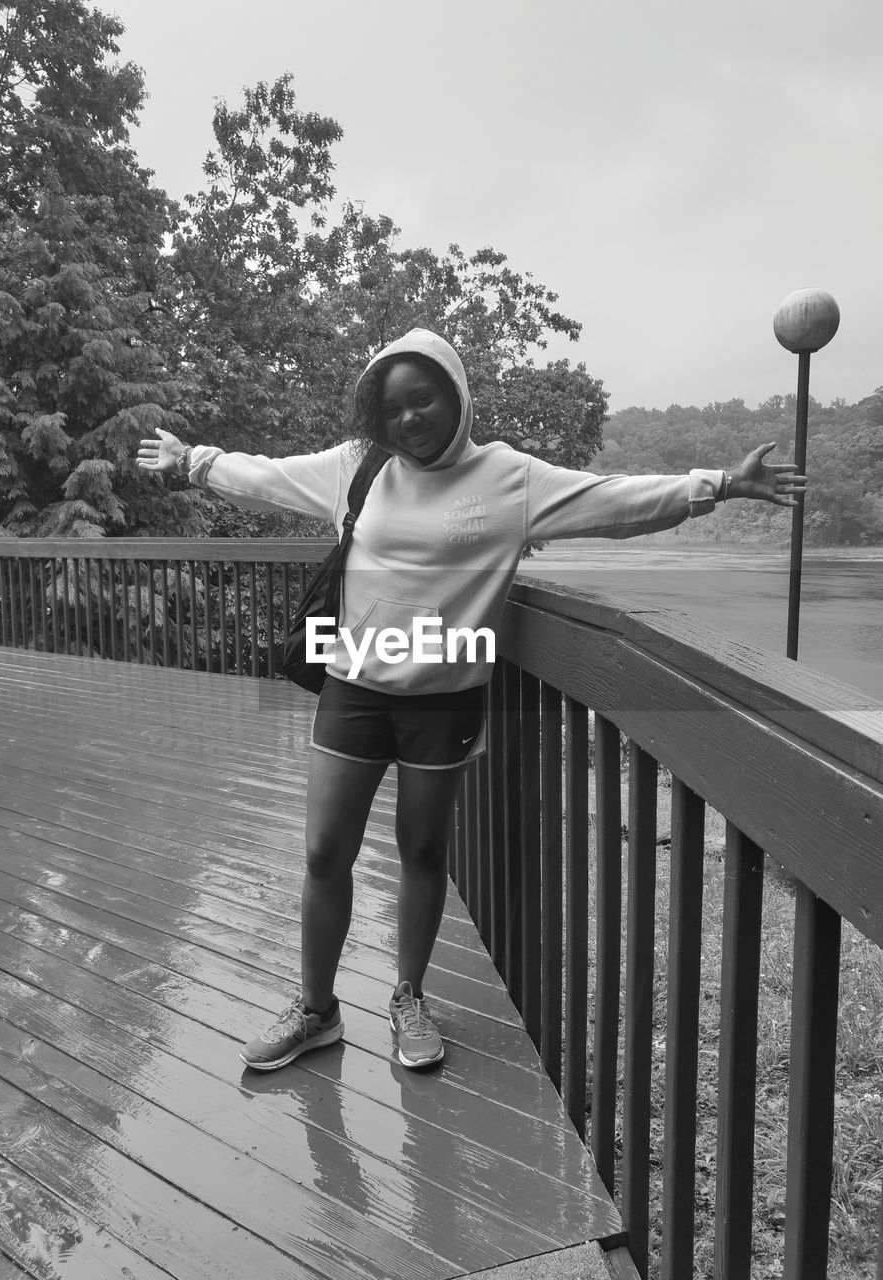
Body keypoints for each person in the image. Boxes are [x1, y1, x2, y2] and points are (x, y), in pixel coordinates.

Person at [136, 327, 805, 1072]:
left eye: (422, 400)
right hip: (354, 687)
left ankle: (408, 997)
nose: (408, 419)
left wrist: (714, 484)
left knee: (423, 852)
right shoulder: (358, 468)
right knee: (326, 851)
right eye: (392, 409)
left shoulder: (507, 478)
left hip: (445, 701)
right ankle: (317, 1010)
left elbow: (613, 502)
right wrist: (193, 460)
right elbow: (265, 476)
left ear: (455, 396)